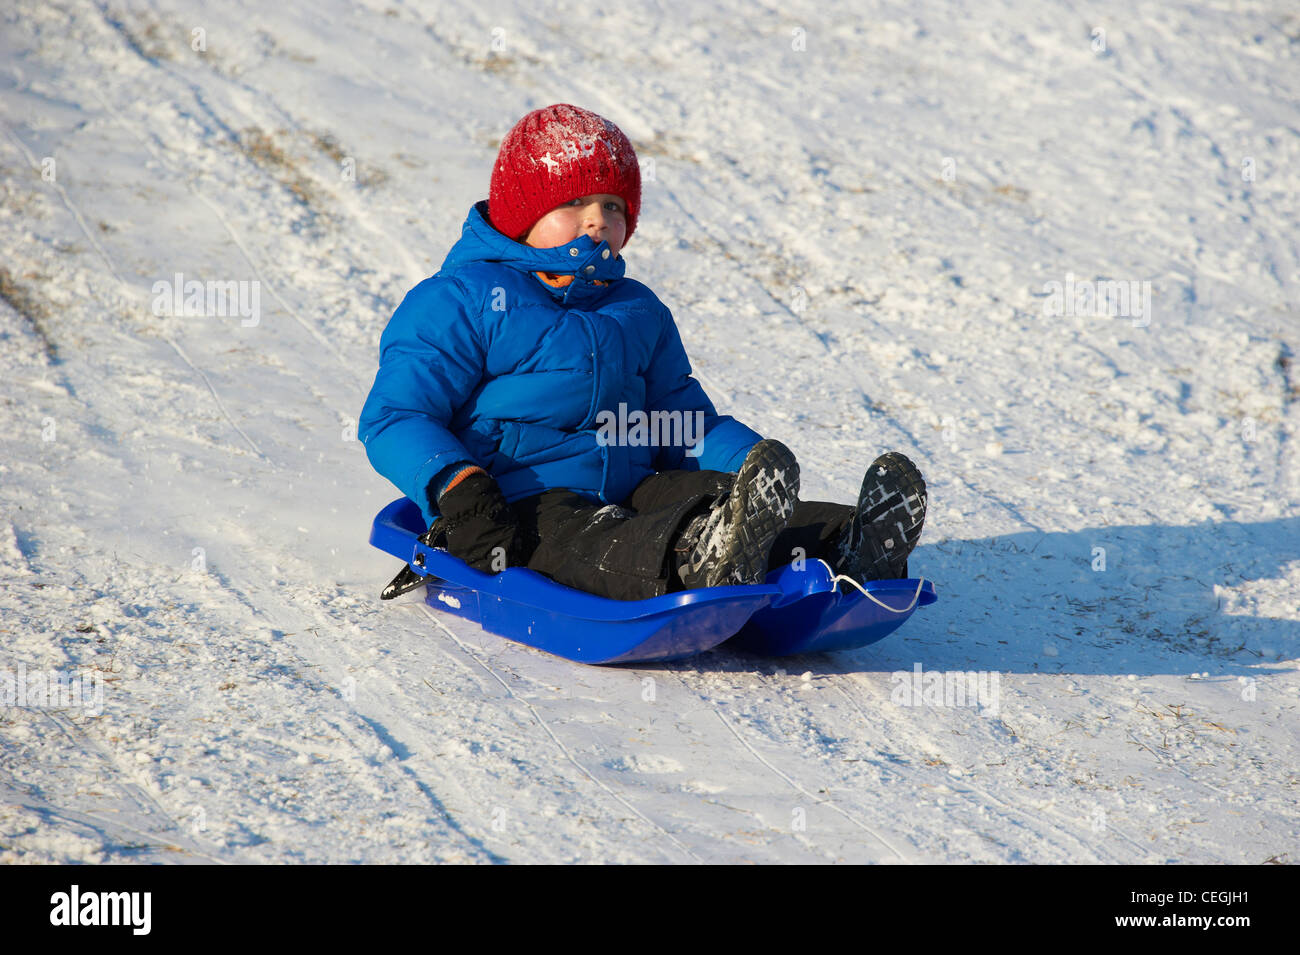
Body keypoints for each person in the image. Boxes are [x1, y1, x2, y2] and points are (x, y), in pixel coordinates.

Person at [359, 103, 927, 602]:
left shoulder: (636, 309)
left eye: (612, 205)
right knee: (599, 535)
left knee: (709, 497)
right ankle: (700, 556)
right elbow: (395, 417)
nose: (597, 220)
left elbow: (680, 419)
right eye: (574, 201)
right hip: (519, 502)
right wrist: (458, 486)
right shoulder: (464, 299)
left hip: (631, 483)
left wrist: (748, 463)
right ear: (521, 215)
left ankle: (846, 543)